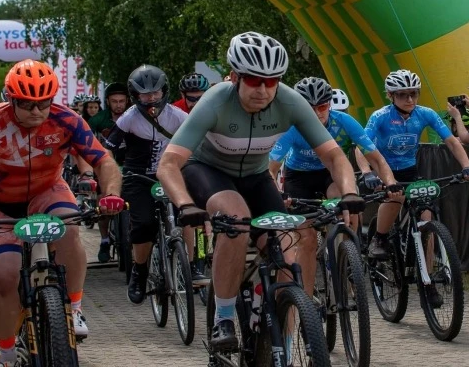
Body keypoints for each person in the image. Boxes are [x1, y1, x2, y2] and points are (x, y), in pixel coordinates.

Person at [155, 32, 365, 352]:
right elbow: (168, 163)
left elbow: (335, 156)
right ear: (236, 77)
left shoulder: (289, 101)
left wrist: (349, 193)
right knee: (237, 220)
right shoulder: (216, 100)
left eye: (272, 80)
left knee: (287, 248)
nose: (264, 90)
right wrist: (184, 204)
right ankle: (223, 318)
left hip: (255, 176)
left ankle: (286, 336)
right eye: (254, 80)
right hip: (207, 171)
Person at [0, 59, 124, 367]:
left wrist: (112, 194)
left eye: (44, 104)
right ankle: (7, 353)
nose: (37, 112)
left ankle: (74, 309)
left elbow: (103, 160)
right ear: (11, 99)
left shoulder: (67, 119)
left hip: (47, 191)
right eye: (27, 105)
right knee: (5, 277)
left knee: (71, 229)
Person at [268, 77, 399, 298]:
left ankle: (349, 260)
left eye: (322, 106)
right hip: (299, 178)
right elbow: (271, 169)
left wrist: (391, 182)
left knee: (349, 204)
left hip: (329, 174)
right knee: (307, 240)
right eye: (310, 108)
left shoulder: (344, 121)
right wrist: (277, 194)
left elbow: (376, 159)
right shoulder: (291, 126)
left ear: (329, 104)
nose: (317, 113)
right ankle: (307, 300)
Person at [365, 69, 469, 304]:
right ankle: (380, 238)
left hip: (410, 171)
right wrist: (368, 173)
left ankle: (426, 280)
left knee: (427, 217)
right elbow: (361, 146)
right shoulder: (381, 117)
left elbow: (451, 141)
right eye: (403, 95)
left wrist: (466, 166)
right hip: (385, 170)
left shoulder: (425, 114)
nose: (410, 100)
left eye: (414, 94)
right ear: (391, 96)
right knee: (395, 198)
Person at [104, 65, 196, 303]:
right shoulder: (128, 119)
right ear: (135, 95)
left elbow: (199, 142)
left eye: (155, 92)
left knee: (190, 214)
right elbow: (108, 151)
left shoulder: (178, 116)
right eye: (145, 94)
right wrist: (111, 176)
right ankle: (140, 271)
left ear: (164, 90)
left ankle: (194, 263)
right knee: (143, 225)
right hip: (138, 177)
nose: (151, 98)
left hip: (171, 175)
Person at [86, 82, 130, 262]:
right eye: (114, 101)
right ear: (108, 102)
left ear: (127, 101)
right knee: (103, 201)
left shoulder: (132, 116)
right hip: (106, 163)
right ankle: (104, 241)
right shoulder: (98, 119)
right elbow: (86, 140)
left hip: (130, 162)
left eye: (122, 101)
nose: (118, 105)